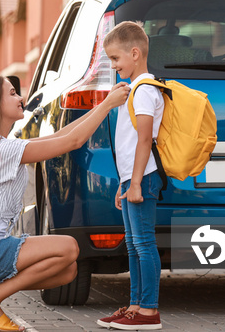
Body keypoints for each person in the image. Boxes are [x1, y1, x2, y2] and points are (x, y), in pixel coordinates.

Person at [0, 73, 130, 331]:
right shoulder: (2, 150)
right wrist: (109, 106)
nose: (20, 98)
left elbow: (63, 134)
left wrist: (103, 102)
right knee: (69, 248)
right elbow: (73, 142)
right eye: (11, 93)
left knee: (67, 272)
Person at [97, 21, 164, 330]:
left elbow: (144, 140)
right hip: (132, 179)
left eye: (116, 59)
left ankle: (149, 310)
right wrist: (125, 183)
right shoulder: (134, 90)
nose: (114, 65)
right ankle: (135, 306)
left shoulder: (145, 90)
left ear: (135, 53)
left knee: (144, 243)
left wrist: (135, 182)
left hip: (143, 177)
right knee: (134, 245)